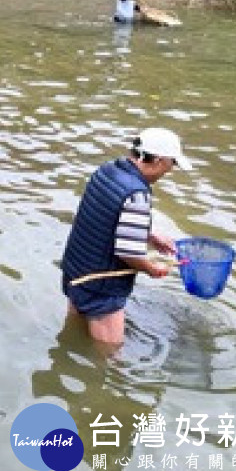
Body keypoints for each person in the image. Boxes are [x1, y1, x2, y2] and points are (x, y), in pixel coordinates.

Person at [60, 128, 190, 347]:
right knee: (109, 358)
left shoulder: (107, 170)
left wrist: (149, 235)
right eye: (172, 163)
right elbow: (128, 253)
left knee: (73, 335)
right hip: (102, 287)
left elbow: (104, 217)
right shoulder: (137, 194)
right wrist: (151, 269)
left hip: (75, 271)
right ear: (158, 160)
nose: (171, 170)